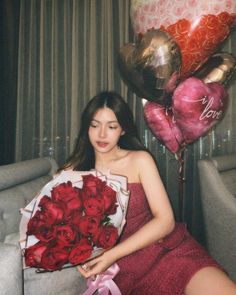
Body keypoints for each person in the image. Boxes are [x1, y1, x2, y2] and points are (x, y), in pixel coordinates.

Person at [60, 91, 236, 295]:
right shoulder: (71, 172)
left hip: (164, 251)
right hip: (123, 271)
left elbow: (165, 221)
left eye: (111, 126)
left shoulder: (140, 160)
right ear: (86, 127)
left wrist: (111, 254)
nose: (101, 134)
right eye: (94, 125)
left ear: (123, 129)